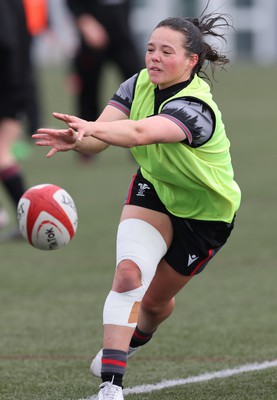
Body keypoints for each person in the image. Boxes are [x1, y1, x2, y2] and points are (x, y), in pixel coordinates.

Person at [33, 11, 241, 400]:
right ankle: (111, 386)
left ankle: (131, 338)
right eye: (150, 49)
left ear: (191, 61)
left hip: (207, 215)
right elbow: (102, 137)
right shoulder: (137, 84)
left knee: (155, 305)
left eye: (166, 51)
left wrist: (92, 127)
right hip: (155, 191)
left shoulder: (197, 108)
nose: (154, 58)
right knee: (129, 275)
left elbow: (142, 132)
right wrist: (81, 139)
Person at [66, 0, 143, 162]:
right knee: (89, 89)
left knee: (140, 84)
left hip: (122, 31)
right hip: (93, 33)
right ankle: (85, 141)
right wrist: (85, 21)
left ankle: (140, 141)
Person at [0, 0, 34, 241]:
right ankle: (29, 221)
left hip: (8, 87)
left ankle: (30, 222)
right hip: (14, 84)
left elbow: (7, 43)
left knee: (2, 154)